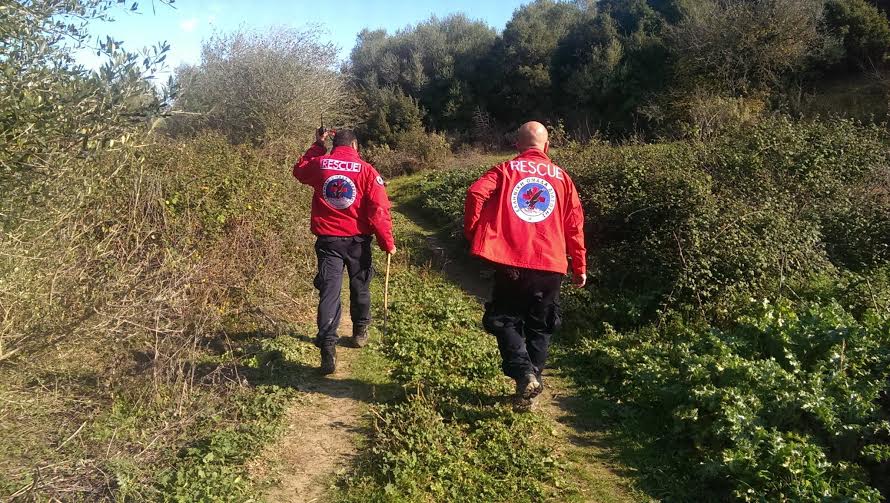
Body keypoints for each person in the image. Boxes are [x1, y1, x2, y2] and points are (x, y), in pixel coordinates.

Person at [464, 121, 587, 411]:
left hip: (511, 262)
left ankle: (523, 373)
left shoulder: (504, 170)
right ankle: (529, 387)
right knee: (540, 328)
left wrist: (474, 231)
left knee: (504, 319)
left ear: (518, 145)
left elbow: (475, 193)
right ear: (546, 146)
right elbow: (575, 226)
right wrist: (579, 265)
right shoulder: (563, 178)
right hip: (551, 265)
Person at [293, 128, 396, 374]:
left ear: (334, 144)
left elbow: (299, 171)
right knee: (360, 286)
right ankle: (360, 331)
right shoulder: (367, 171)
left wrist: (318, 144)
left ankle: (327, 346)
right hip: (358, 242)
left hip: (329, 241)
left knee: (330, 292)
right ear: (355, 146)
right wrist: (387, 242)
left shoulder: (320, 165)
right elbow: (379, 210)